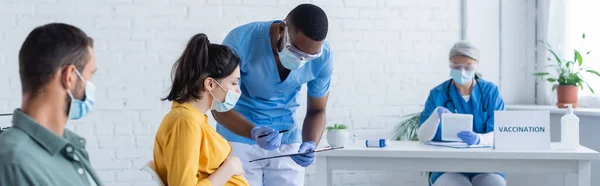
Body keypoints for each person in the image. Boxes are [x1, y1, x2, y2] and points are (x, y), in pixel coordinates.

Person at [214, 3, 333, 186]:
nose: (301, 60)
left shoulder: (323, 56)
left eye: (309, 57)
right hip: (238, 137)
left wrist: (310, 144)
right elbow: (217, 105)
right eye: (295, 51)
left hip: (287, 141)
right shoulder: (241, 41)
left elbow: (317, 110)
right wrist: (252, 132)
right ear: (281, 29)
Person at [0, 23, 102, 186]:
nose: (90, 84)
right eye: (90, 74)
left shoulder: (71, 148)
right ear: (69, 77)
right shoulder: (15, 162)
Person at [153, 33, 249, 186]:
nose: (238, 91)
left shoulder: (194, 119)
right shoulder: (185, 123)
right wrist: (229, 168)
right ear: (210, 84)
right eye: (233, 83)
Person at [418, 41, 506, 186]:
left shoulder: (491, 92)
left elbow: (500, 133)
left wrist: (479, 139)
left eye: (468, 66)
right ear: (450, 65)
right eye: (457, 67)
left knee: (495, 183)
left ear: (476, 65)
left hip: (485, 165)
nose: (463, 71)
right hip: (447, 167)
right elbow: (422, 137)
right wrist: (434, 117)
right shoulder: (438, 94)